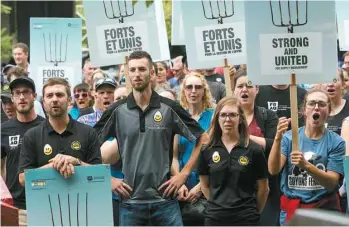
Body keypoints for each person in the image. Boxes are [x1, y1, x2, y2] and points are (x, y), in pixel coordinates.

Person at [94, 50, 207, 226]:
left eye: (142, 69)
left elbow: (203, 138)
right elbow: (90, 147)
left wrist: (184, 174)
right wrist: (107, 179)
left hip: (165, 202)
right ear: (127, 73)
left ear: (152, 72)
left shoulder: (169, 107)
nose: (137, 74)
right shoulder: (116, 110)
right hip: (130, 203)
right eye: (132, 70)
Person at [268, 89, 345, 225]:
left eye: (321, 104)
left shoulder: (336, 142)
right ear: (304, 110)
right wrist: (278, 138)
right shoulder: (289, 137)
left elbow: (332, 183)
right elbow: (273, 170)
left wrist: (306, 166)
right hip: (292, 212)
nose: (316, 107)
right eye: (312, 103)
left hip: (323, 212)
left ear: (328, 110)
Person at [198, 96, 269, 226]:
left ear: (240, 118)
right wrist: (220, 206)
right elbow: (204, 185)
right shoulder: (206, 150)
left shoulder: (254, 150)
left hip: (246, 219)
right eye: (223, 115)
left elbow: (263, 189)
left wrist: (252, 213)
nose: (227, 119)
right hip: (215, 219)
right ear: (217, 118)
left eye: (232, 115)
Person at [18, 78, 102, 186]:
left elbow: (99, 174)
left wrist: (77, 162)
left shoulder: (89, 133)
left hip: (83, 200)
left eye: (59, 95)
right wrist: (52, 166)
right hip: (44, 201)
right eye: (49, 96)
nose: (54, 99)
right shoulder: (31, 135)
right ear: (43, 102)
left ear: (69, 100)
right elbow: (23, 179)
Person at [233, 71, 279, 226]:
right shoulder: (225, 117)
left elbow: (273, 144)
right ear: (234, 91)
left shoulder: (269, 116)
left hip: (265, 186)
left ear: (257, 89)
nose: (244, 89)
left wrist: (243, 137)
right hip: (235, 188)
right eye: (240, 86)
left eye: (249, 85)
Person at [1, 77, 45, 226]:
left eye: (26, 92)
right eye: (17, 93)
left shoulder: (47, 127)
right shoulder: (4, 130)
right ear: (12, 98)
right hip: (15, 207)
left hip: (45, 204)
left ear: (34, 96)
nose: (21, 97)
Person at [173, 72, 215, 225]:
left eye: (198, 87)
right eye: (189, 87)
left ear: (204, 91)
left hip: (207, 186)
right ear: (183, 90)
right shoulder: (177, 117)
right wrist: (179, 182)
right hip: (181, 187)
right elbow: (174, 156)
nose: (193, 91)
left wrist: (200, 187)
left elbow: (218, 155)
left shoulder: (214, 117)